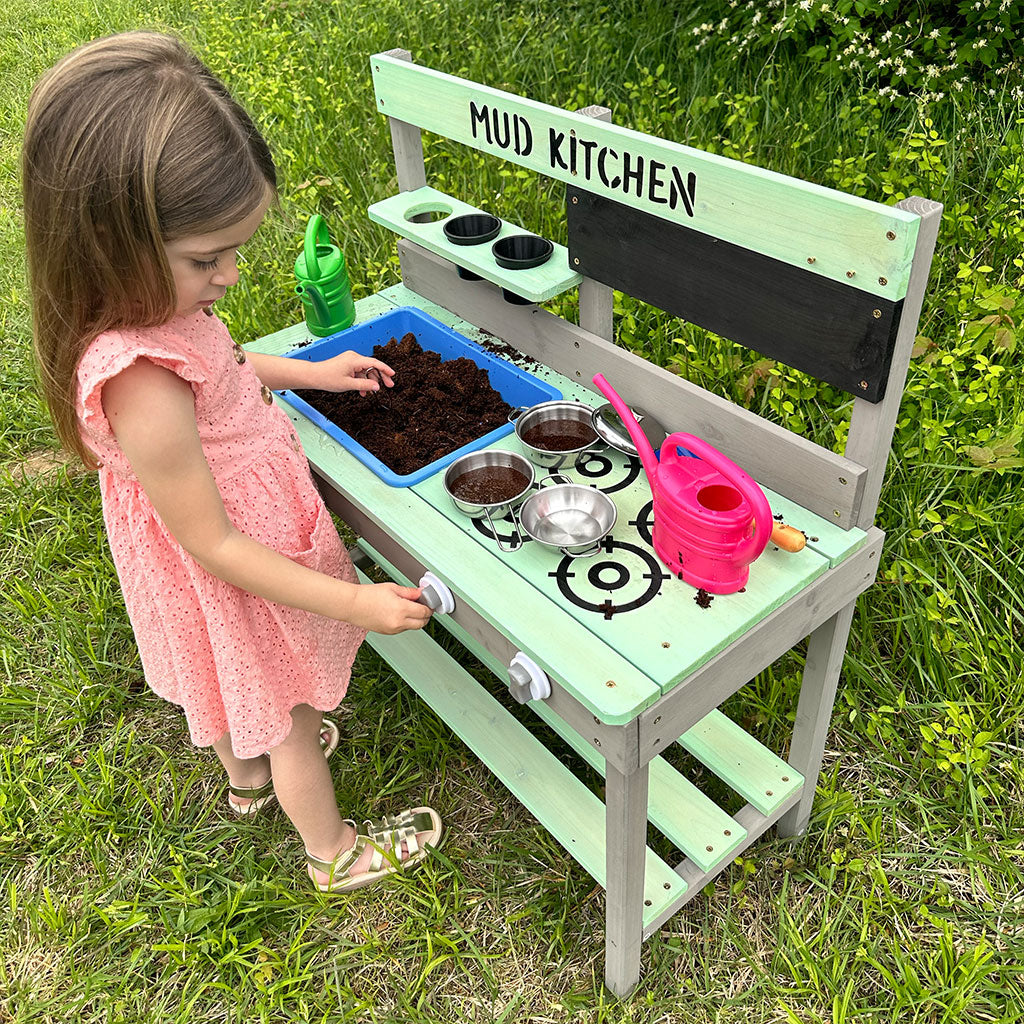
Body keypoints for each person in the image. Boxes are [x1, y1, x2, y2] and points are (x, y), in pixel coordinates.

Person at [22, 31, 442, 893]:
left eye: (234, 249)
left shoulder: (150, 316)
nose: (230, 275)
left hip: (202, 553)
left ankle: (245, 780)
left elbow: (224, 362)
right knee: (283, 705)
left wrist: (311, 372)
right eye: (206, 259)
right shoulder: (137, 379)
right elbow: (216, 546)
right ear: (107, 240)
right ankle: (333, 851)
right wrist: (355, 599)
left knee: (223, 679)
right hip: (230, 562)